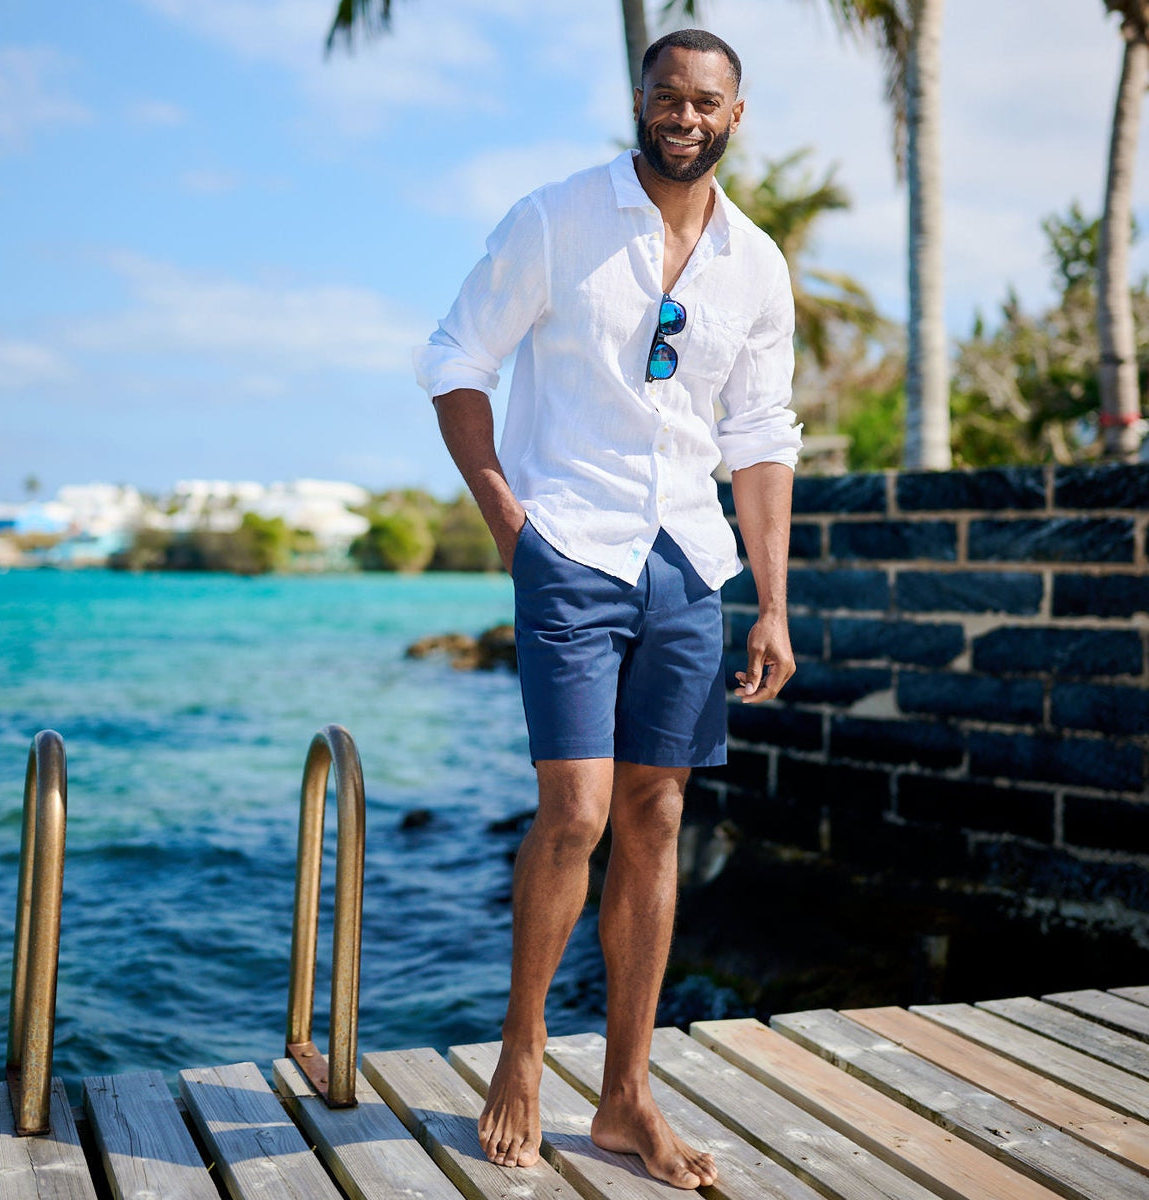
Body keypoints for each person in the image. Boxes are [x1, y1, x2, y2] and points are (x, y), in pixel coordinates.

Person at [414, 27, 800, 1191]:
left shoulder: (758, 266)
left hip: (689, 561)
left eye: (707, 102)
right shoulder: (556, 220)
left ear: (737, 114)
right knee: (574, 813)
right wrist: (507, 525)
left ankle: (627, 1096)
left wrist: (771, 604)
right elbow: (454, 359)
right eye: (667, 96)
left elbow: (760, 440)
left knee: (656, 817)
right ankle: (522, 1054)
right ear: (641, 102)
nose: (685, 116)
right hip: (569, 547)